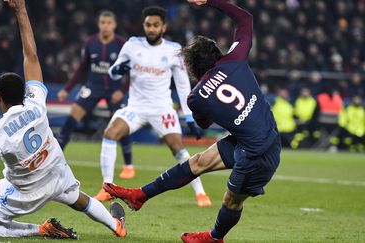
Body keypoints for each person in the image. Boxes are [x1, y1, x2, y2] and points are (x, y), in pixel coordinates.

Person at [0, 0, 126, 240]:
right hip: (56, 172)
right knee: (80, 200)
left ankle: (40, 229)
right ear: (24, 92)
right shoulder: (36, 101)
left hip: (25, 193)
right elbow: (32, 56)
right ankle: (116, 225)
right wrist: (21, 11)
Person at [103, 0, 281, 242]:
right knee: (198, 161)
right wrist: (210, 1)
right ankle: (140, 196)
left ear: (193, 67)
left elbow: (204, 124)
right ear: (217, 53)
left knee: (232, 199)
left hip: (257, 154)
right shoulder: (236, 58)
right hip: (258, 138)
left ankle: (215, 238)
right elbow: (245, 19)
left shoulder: (196, 97)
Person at [95, 5, 212, 208]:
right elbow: (113, 72)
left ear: (163, 27)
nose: (151, 29)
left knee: (178, 149)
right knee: (110, 133)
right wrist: (118, 69)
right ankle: (107, 188)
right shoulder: (132, 45)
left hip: (162, 109)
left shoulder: (173, 50)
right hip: (136, 108)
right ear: (144, 25)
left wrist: (190, 117)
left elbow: (183, 86)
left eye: (155, 25)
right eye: (148, 25)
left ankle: (201, 193)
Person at [56, 11, 135, 179]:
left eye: (108, 22)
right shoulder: (90, 42)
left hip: (114, 89)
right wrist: (67, 89)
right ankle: (54, 159)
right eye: (102, 22)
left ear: (114, 25)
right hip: (93, 86)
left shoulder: (122, 44)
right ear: (99, 24)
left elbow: (132, 71)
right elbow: (82, 68)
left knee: (122, 124)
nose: (105, 25)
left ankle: (128, 165)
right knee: (72, 118)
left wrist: (122, 91)